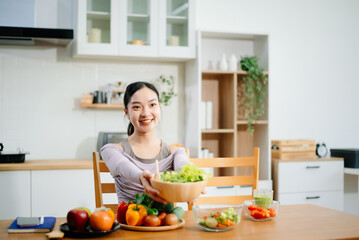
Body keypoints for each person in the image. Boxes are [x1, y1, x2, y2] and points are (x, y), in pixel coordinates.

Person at [100, 81, 189, 204]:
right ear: (126, 113)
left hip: (166, 222)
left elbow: (184, 167)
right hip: (130, 221)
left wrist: (193, 184)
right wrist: (141, 177)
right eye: (137, 107)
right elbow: (122, 166)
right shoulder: (111, 150)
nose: (146, 113)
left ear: (159, 107)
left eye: (152, 104)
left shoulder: (176, 152)